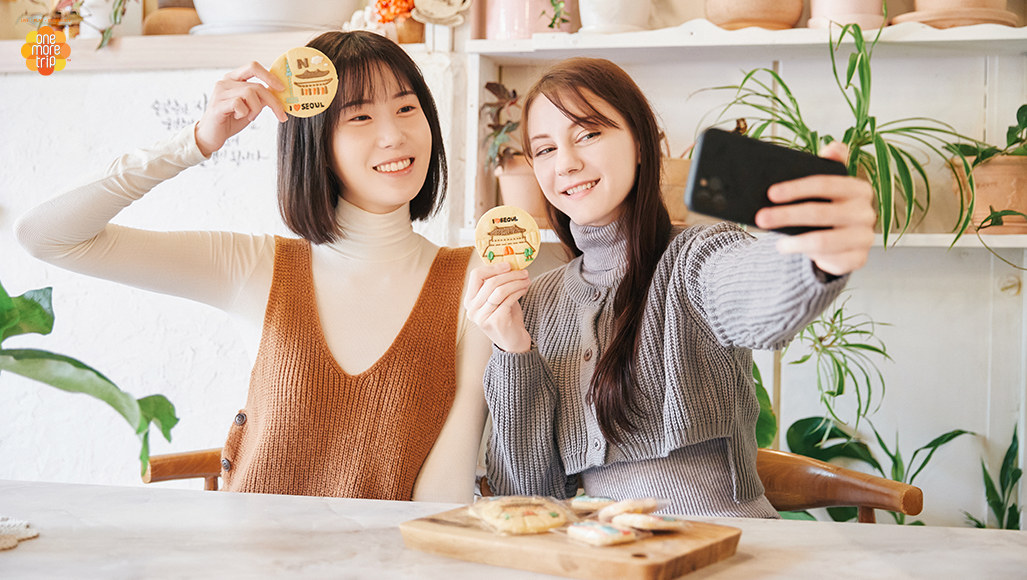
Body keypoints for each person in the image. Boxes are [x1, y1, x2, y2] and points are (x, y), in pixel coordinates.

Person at [15, 31, 490, 503]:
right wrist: (196, 141)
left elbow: (444, 494)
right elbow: (46, 237)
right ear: (314, 142)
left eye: (407, 108)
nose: (394, 135)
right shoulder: (257, 266)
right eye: (360, 116)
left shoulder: (474, 280)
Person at [464, 57, 875, 517]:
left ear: (640, 143)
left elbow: (749, 286)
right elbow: (527, 497)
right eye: (544, 150)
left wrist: (815, 259)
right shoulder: (535, 302)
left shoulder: (694, 257)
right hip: (613, 553)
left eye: (588, 134)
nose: (567, 163)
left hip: (730, 549)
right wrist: (513, 350)